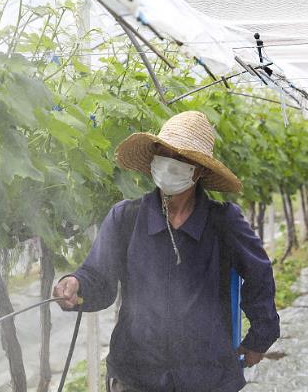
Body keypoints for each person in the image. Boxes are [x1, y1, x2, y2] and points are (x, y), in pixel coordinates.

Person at [53, 111, 280, 392]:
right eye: (163, 153)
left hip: (205, 377)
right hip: (135, 376)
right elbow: (98, 278)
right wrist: (75, 285)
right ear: (152, 161)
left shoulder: (223, 221)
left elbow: (259, 273)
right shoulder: (126, 218)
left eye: (181, 158)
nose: (169, 163)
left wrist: (259, 337)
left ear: (199, 170)